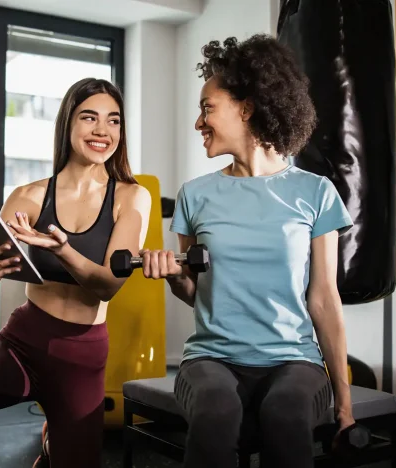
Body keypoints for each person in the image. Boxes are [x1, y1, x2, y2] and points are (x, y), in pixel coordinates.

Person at [140, 35, 355, 468]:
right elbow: (195, 289)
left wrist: (345, 406)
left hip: (294, 359)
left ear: (248, 107)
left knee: (286, 414)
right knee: (217, 412)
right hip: (211, 358)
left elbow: (324, 298)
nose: (198, 123)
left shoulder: (315, 192)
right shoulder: (194, 195)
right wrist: (172, 276)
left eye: (207, 108)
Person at [0, 77, 152, 468]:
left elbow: (108, 285)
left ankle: (51, 450)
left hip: (82, 355)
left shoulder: (131, 197)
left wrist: (62, 249)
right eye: (89, 117)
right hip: (24, 340)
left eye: (113, 121)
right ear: (68, 124)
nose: (103, 130)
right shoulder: (28, 197)